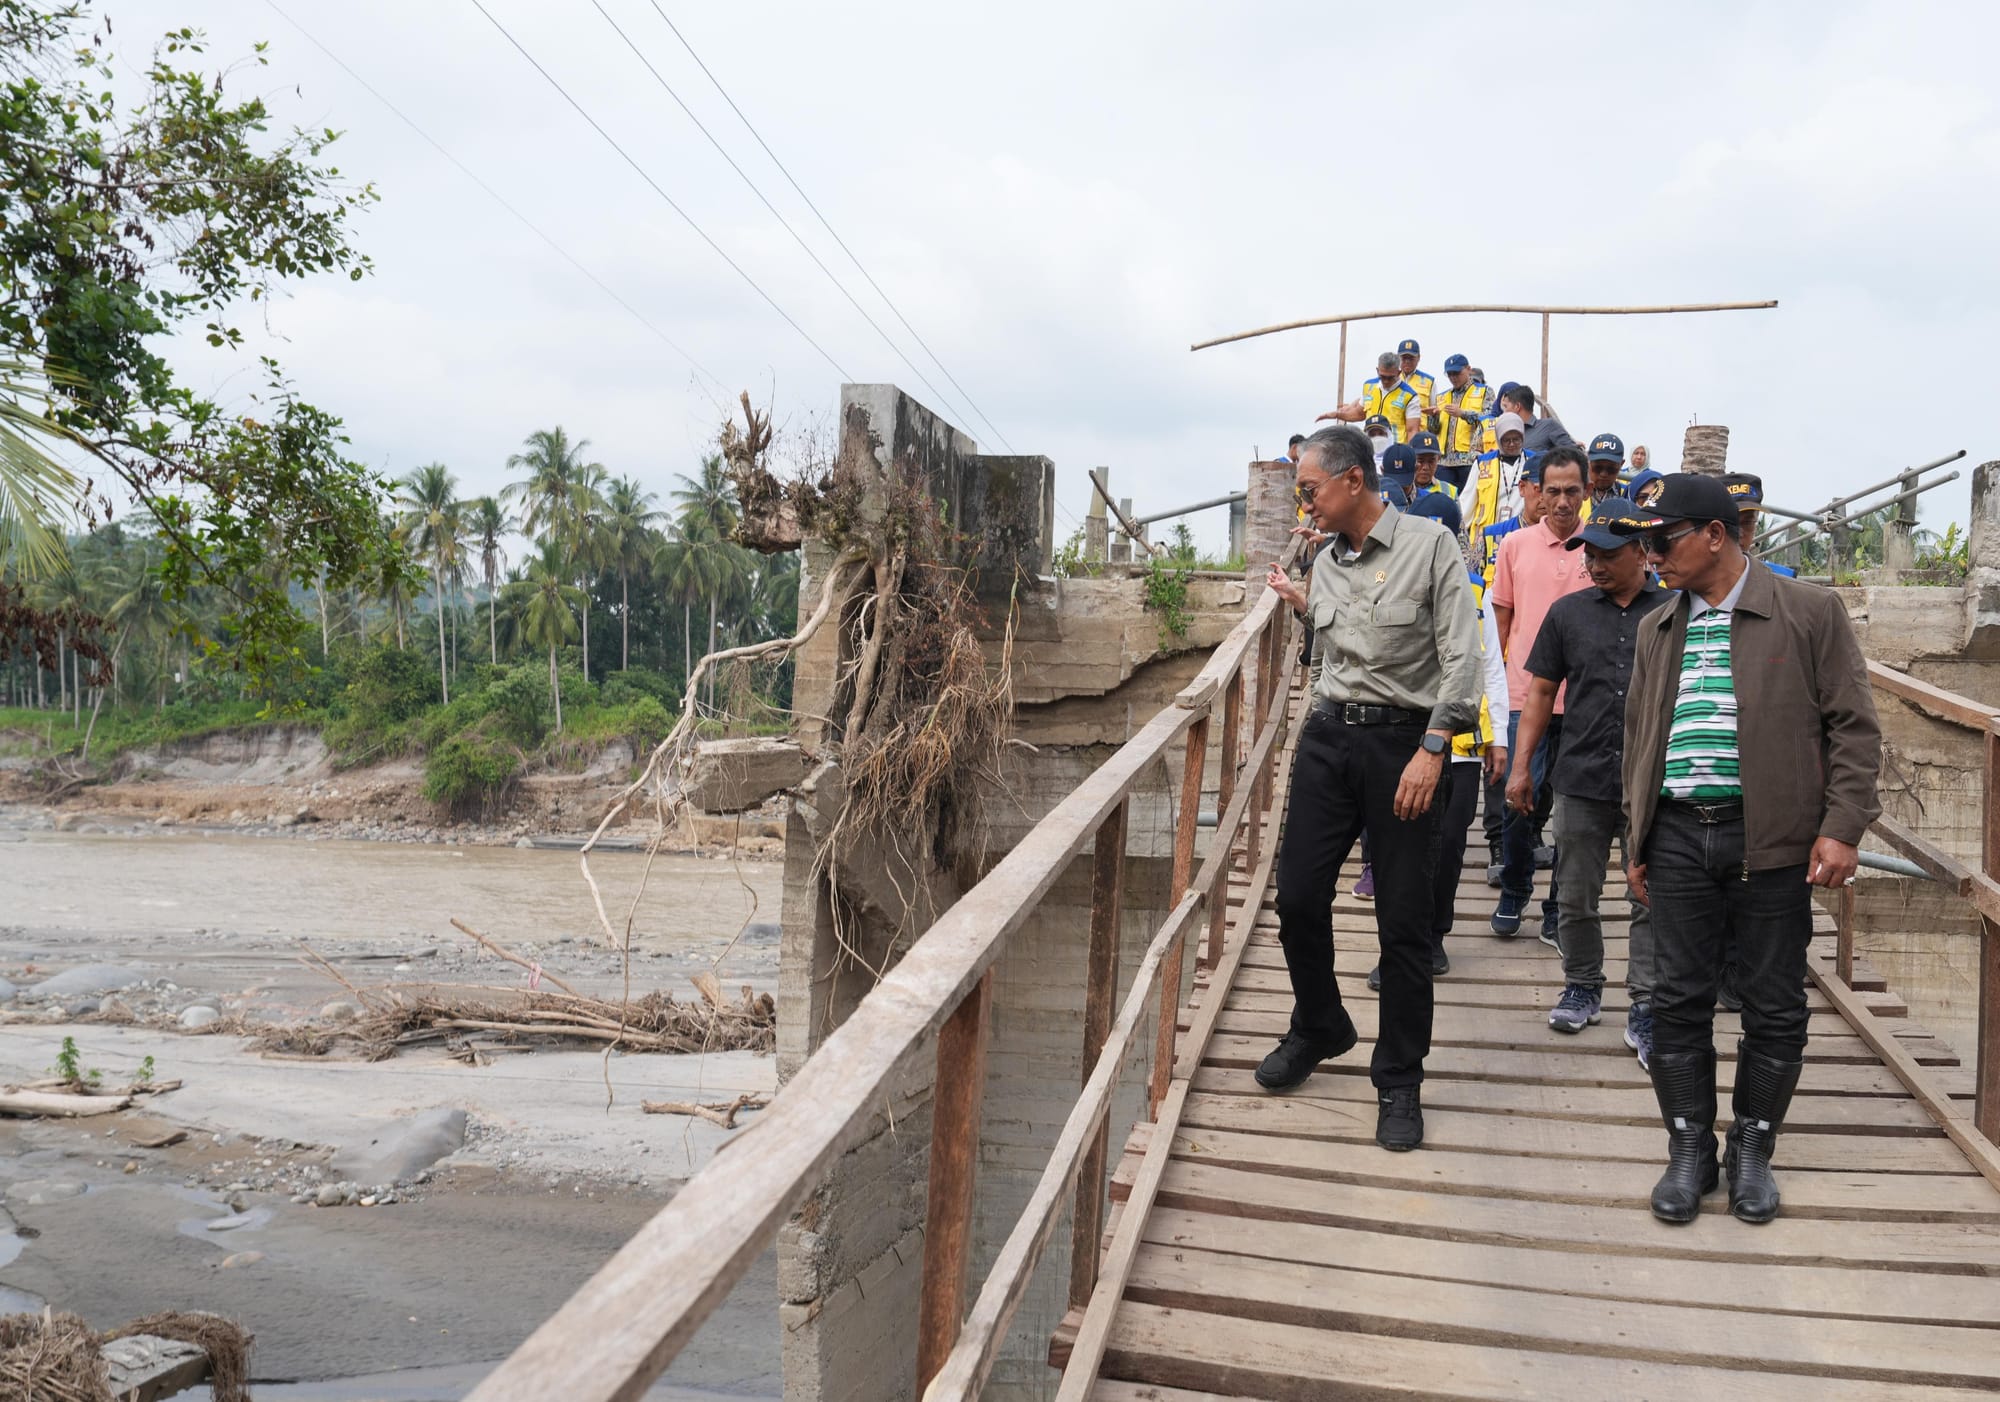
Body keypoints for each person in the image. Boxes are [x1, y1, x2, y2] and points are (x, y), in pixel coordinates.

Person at [1614, 474, 1881, 1224]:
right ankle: (1689, 1149)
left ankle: (1753, 1149)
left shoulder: (1808, 611)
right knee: (1676, 997)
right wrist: (1636, 835)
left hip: (1771, 837)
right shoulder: (1657, 627)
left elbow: (1854, 726)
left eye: (1662, 539)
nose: (1651, 554)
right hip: (1675, 832)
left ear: (1714, 535)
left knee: (1773, 1002)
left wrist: (1842, 826)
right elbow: (1640, 737)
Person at [1257, 426, 1481, 1153]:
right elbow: (1335, 651)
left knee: (1404, 924)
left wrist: (1433, 749)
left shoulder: (1431, 546)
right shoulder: (1326, 560)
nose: (1306, 504)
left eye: (1310, 489)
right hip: (1328, 740)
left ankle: (1399, 1078)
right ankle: (1320, 1023)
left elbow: (1462, 659)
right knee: (1297, 898)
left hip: (1404, 746)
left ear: (1353, 480)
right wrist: (1300, 604)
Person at [1507, 497, 1668, 1062]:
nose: (1594, 565)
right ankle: (1582, 984)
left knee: (1651, 897)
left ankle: (1646, 1003)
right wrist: (1522, 766)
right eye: (1588, 555)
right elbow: (1540, 693)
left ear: (1641, 552)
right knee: (1575, 893)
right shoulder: (1568, 614)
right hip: (1581, 775)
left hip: (1653, 782)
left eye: (1606, 554)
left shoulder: (1674, 611)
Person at [1365, 490, 1508, 990]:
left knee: (1448, 844)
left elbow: (1490, 666)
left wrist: (1499, 737)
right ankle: (1395, 946)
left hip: (1460, 745)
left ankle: (1433, 935)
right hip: (1397, 735)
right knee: (1393, 847)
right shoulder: (1384, 580)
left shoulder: (1476, 592)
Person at [1489, 447, 1593, 943]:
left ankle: (1557, 907)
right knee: (1517, 800)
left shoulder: (1600, 547)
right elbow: (1500, 625)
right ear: (1536, 492)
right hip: (1523, 696)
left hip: (1584, 700)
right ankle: (1514, 889)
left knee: (1572, 811)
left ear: (1587, 492)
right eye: (1553, 491)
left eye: (1572, 491)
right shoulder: (1514, 546)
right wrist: (1491, 700)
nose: (1563, 501)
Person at [1477, 456, 1544, 885]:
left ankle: (1531, 835)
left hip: (1553, 673)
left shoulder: (1576, 544)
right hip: (1506, 662)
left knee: (1540, 769)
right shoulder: (1497, 538)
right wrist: (1494, 663)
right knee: (1500, 754)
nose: (1548, 497)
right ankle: (1498, 842)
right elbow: (1488, 600)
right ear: (1524, 488)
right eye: (1541, 487)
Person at [1464, 412, 1535, 578]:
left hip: (1522, 536)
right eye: (1506, 440)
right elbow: (1466, 503)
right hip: (1486, 540)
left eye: (1516, 439)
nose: (1512, 444)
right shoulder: (1482, 463)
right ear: (1498, 438)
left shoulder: (1534, 461)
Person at [1318, 352, 1423, 442]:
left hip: (1394, 450)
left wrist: (1411, 454)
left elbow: (1412, 430)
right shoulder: (1369, 386)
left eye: (1390, 378)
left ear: (1399, 372)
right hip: (1370, 447)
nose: (1386, 381)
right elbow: (1359, 414)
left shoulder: (1410, 396)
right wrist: (1338, 415)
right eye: (1382, 377)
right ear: (1377, 370)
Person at [1722, 473, 1797, 577]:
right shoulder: (1698, 578)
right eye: (1730, 523)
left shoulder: (1781, 578)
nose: (1739, 533)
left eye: (1747, 523)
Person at [1432, 354, 1495, 472]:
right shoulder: (1441, 397)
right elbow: (1434, 431)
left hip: (1469, 459)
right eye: (1450, 374)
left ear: (1468, 369)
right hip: (1443, 462)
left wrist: (1463, 414)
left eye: (1456, 373)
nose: (1453, 378)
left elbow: (1489, 420)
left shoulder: (1485, 391)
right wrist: (1433, 418)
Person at [1499, 384, 1577, 457]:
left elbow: (1573, 453)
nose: (1504, 412)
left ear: (1517, 406)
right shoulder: (1504, 434)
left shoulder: (1548, 426)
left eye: (1506, 407)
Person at [1398, 338, 1436, 428]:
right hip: (1397, 433)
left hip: (1419, 432)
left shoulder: (1429, 381)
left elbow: (1434, 409)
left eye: (1411, 358)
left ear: (1418, 358)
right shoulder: (1390, 378)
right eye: (1404, 358)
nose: (1407, 361)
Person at [1408, 432, 1458, 500]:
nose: (1425, 467)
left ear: (1438, 459)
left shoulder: (1449, 491)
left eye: (1431, 461)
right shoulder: (1401, 490)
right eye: (1420, 461)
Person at [1585, 433, 1626, 505]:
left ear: (1621, 464)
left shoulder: (1628, 495)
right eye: (1598, 468)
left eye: (1611, 469)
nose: (1603, 474)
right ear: (1588, 461)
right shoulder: (1573, 492)